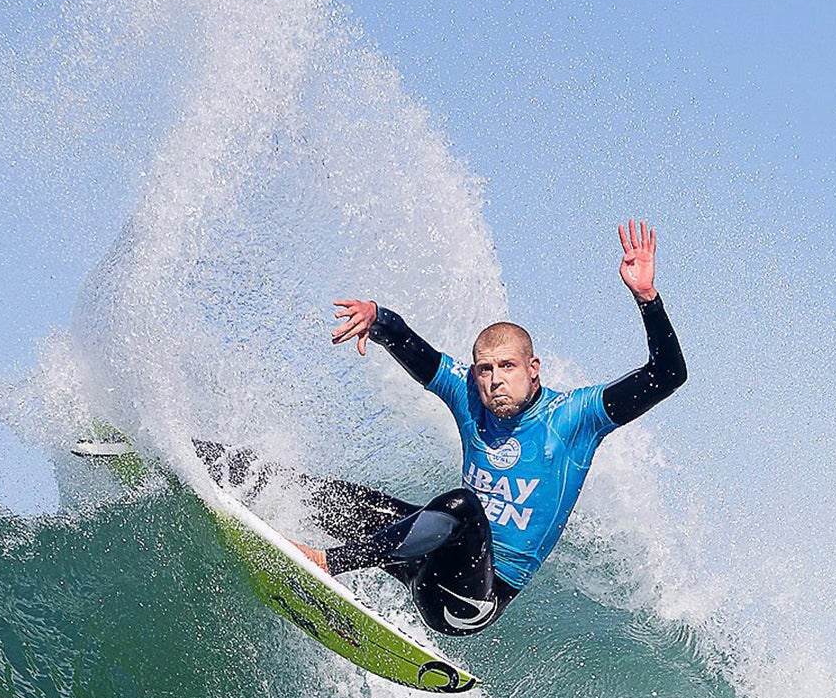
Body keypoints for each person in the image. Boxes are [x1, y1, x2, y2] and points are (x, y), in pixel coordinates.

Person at [293, 220, 686, 636]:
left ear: (533, 370)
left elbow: (668, 374)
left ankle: (326, 564)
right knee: (344, 500)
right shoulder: (469, 395)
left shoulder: (574, 418)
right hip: (428, 561)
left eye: (507, 366)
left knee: (462, 506)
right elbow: (415, 349)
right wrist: (377, 318)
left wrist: (646, 298)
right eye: (485, 369)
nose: (494, 378)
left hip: (470, 601)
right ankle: (245, 474)